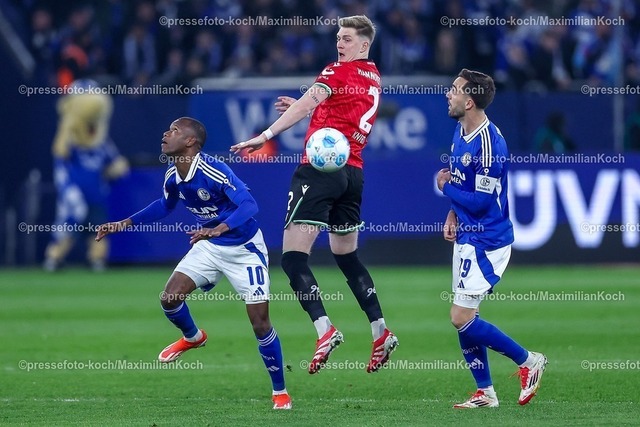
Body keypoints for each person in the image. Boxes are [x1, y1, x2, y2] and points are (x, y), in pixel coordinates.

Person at [230, 15, 398, 374]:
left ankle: (324, 329)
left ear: (364, 44)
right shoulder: (372, 74)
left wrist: (264, 135)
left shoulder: (336, 71)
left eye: (347, 39)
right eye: (338, 37)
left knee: (292, 259)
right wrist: (312, 103)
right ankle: (380, 330)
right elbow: (336, 108)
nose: (340, 43)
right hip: (352, 173)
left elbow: (310, 102)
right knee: (346, 256)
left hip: (319, 172)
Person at [95, 117, 291, 410]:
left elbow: (250, 205)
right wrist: (124, 223)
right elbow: (164, 205)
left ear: (190, 142)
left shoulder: (214, 170)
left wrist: (220, 227)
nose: (166, 133)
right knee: (169, 298)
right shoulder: (173, 174)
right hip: (209, 245)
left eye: (174, 130)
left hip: (244, 249)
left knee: (260, 323)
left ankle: (280, 392)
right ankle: (193, 337)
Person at [436, 69, 547, 408]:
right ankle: (485, 392)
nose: (448, 94)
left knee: (460, 317)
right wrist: (453, 212)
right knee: (465, 318)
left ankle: (529, 361)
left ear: (469, 101)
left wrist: (445, 188)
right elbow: (463, 183)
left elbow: (481, 202)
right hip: (467, 235)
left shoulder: (489, 145)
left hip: (488, 240)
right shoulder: (460, 129)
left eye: (454, 90)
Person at [44, 80, 129, 272]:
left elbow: (116, 163)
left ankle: (97, 258)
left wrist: (115, 170)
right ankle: (54, 257)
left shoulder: (102, 143)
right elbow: (60, 162)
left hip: (97, 194)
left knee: (98, 228)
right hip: (75, 195)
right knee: (70, 225)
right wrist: (68, 191)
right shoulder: (70, 141)